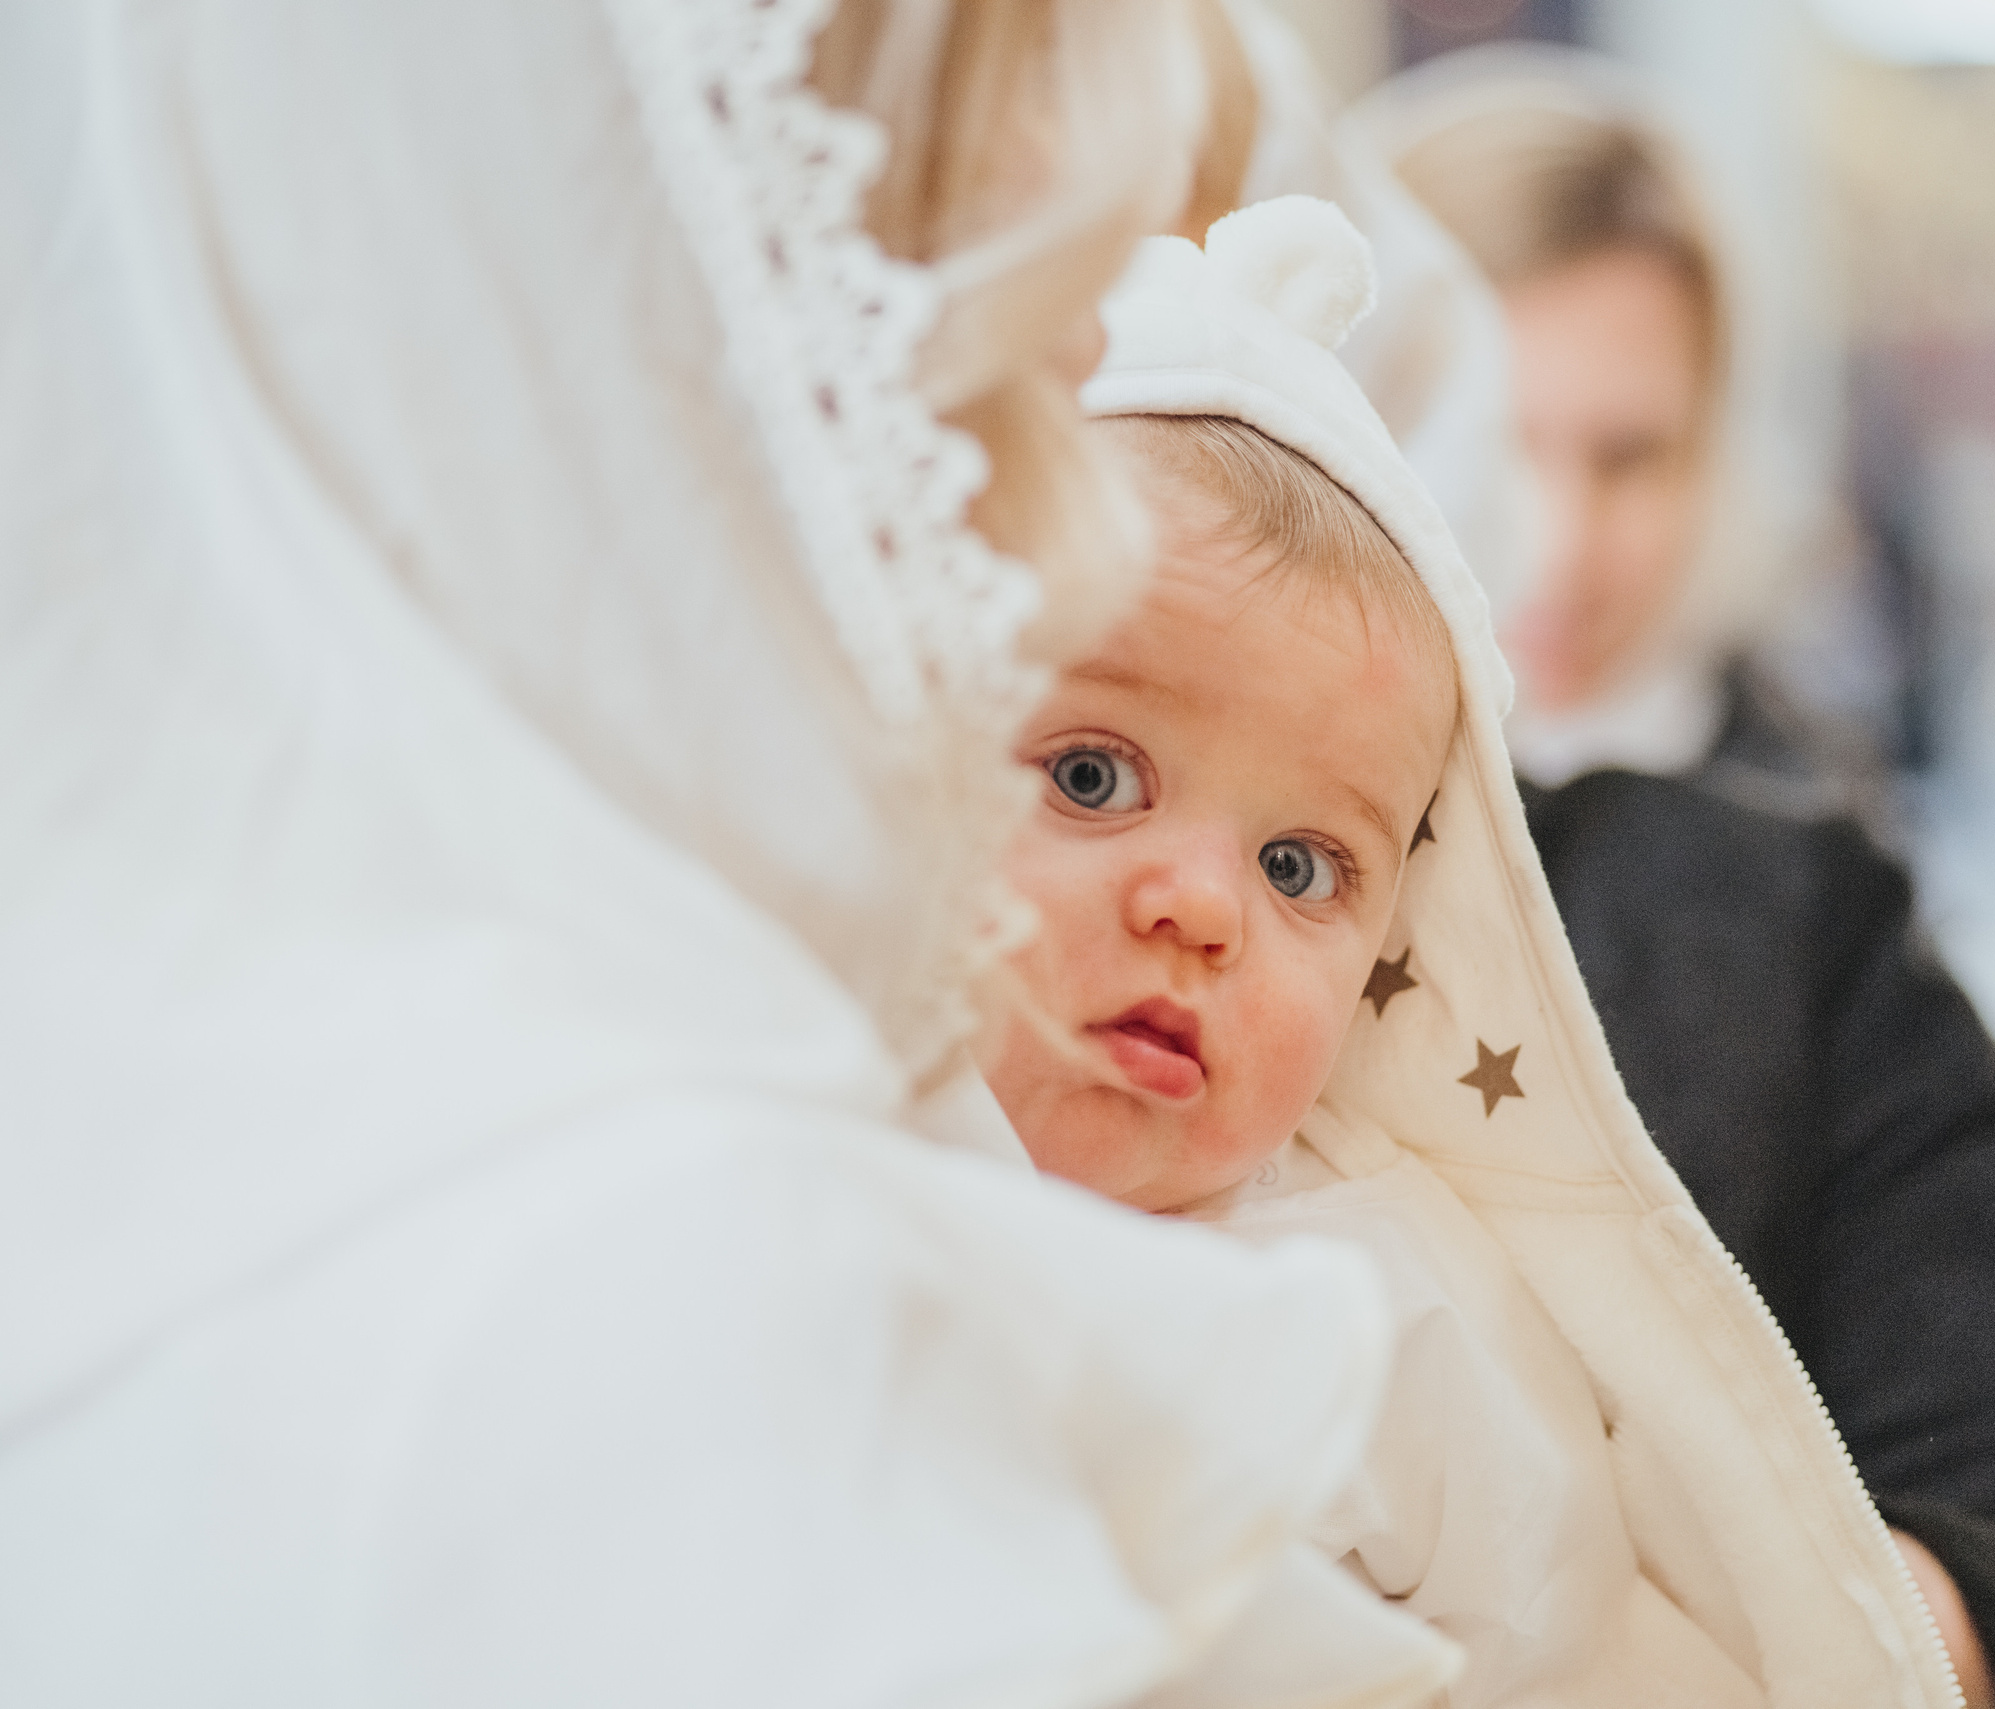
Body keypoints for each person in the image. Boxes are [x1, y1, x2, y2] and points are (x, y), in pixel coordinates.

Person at [0, 4, 1463, 1703]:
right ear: (665, 374)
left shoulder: (153, 1079)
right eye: (995, 393)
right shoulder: (683, 1310)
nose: (1054, 552)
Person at [1351, 45, 1995, 1709]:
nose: (1551, 535)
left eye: (1626, 455)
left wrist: (1789, 1593)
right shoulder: (1064, 807)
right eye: (1483, 442)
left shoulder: (1790, 903)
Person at [985, 197, 1965, 1706]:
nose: (1202, 908)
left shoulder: (1388, 1310)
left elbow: (1599, 1659)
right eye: (1094, 775)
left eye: (1301, 865)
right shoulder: (773, 1153)